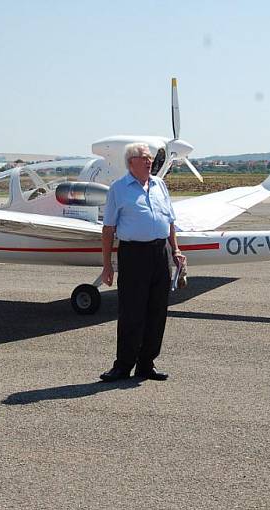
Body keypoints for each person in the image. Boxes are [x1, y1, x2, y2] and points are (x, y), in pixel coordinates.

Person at [99, 142, 186, 382]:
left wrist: (176, 250)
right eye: (144, 157)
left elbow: (169, 221)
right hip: (133, 254)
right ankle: (123, 365)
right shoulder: (118, 189)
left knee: (157, 311)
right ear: (131, 163)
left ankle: (146, 364)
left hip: (161, 253)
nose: (150, 161)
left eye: (150, 157)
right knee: (131, 311)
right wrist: (107, 264)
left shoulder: (160, 185)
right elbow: (108, 229)